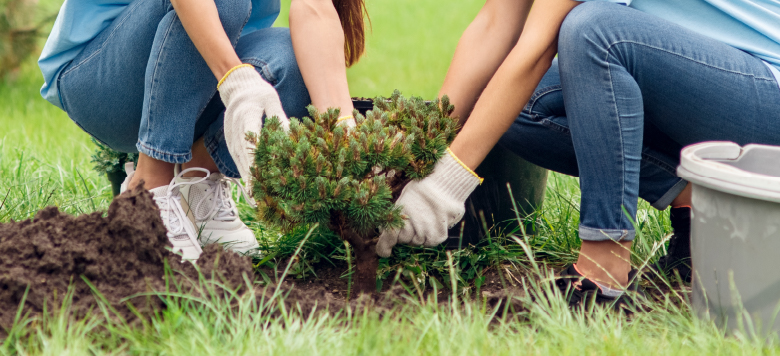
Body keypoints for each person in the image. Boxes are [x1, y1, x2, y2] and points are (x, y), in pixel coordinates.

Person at [376, 0, 780, 306]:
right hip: (690, 81)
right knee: (516, 105)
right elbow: (494, 23)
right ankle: (700, 200)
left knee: (594, 32)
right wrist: (411, 155)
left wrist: (444, 186)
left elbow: (538, 48)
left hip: (763, 94)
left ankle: (604, 271)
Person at [38, 0, 366, 261]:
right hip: (100, 81)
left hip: (194, 74)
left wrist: (343, 136)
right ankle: (149, 188)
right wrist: (236, 80)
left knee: (295, 60)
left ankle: (196, 184)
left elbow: (316, 9)